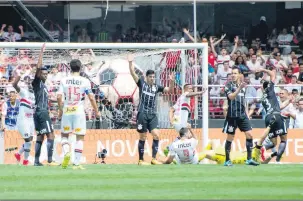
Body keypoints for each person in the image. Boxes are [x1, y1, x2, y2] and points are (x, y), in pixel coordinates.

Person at [128, 54, 174, 165]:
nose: (153, 78)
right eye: (151, 77)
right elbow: (133, 73)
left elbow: (169, 90)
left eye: (154, 77)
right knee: (143, 136)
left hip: (152, 114)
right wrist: (130, 63)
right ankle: (141, 160)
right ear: (146, 77)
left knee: (156, 134)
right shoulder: (141, 84)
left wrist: (171, 81)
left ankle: (153, 159)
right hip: (142, 114)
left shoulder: (156, 87)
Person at [57, 59, 101, 170]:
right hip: (79, 111)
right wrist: (96, 111)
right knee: (80, 137)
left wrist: (60, 110)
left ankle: (67, 152)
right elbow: (91, 97)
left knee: (64, 135)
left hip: (67, 110)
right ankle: (76, 163)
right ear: (80, 68)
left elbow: (58, 97)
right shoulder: (85, 81)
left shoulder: (64, 80)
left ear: (70, 68)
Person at [223, 67, 259, 166]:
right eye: (232, 73)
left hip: (242, 115)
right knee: (230, 137)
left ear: (239, 74)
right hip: (232, 115)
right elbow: (231, 97)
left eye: (235, 73)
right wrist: (239, 88)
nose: (233, 75)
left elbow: (244, 102)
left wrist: (247, 115)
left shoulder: (242, 86)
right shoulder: (228, 85)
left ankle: (249, 159)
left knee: (250, 135)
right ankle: (227, 160)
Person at [253, 68, 288, 163]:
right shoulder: (270, 90)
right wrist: (263, 70)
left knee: (273, 143)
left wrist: (288, 101)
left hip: (268, 117)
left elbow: (278, 106)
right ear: (268, 86)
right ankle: (277, 161)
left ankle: (263, 147)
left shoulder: (263, 97)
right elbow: (272, 75)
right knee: (283, 140)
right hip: (276, 115)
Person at [32, 44, 57, 166]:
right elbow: (38, 67)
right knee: (51, 134)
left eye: (47, 74)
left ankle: (36, 161)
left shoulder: (44, 87)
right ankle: (50, 160)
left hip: (38, 112)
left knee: (40, 135)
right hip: (41, 112)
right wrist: (41, 52)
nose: (45, 75)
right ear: (39, 75)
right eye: (43, 74)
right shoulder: (37, 82)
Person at [12, 71, 35, 166]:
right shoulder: (23, 92)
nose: (30, 84)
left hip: (31, 120)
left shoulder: (35, 95)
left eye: (32, 82)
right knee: (28, 142)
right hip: (23, 120)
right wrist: (19, 76)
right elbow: (14, 84)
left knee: (30, 140)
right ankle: (25, 161)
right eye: (28, 82)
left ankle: (18, 154)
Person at [199, 140, 277, 165]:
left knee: (205, 153)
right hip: (228, 155)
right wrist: (273, 154)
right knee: (213, 141)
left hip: (224, 156)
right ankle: (202, 161)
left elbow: (260, 140)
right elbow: (265, 161)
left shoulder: (254, 152)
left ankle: (194, 161)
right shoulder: (256, 160)